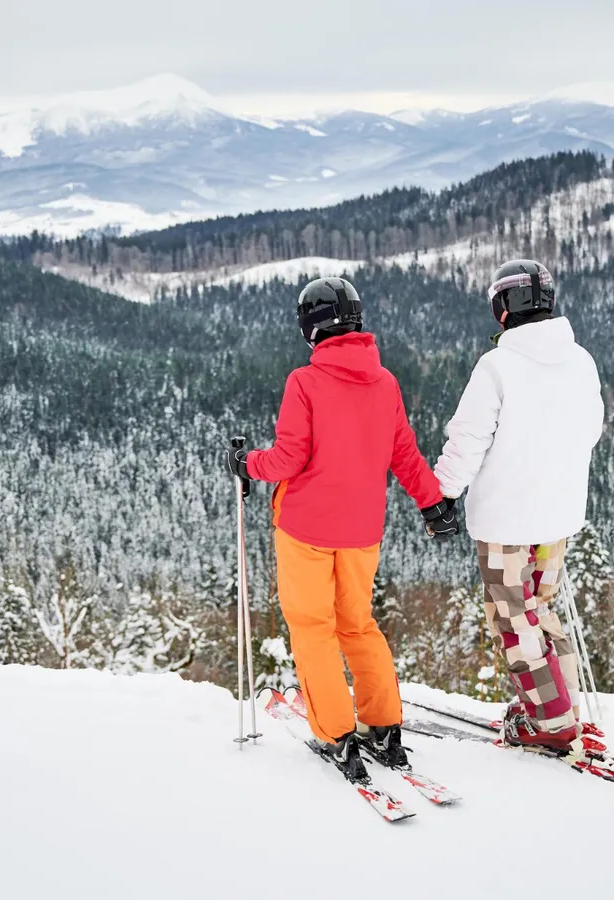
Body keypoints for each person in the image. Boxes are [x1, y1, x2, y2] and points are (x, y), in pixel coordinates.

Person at [227, 276, 457, 780]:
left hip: (306, 530)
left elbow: (288, 459)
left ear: (310, 327)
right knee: (357, 624)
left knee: (313, 630)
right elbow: (405, 456)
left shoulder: (305, 382)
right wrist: (432, 503)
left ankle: (336, 734)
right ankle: (384, 726)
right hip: (362, 533)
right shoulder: (385, 382)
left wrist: (247, 463)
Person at [433, 259, 609, 767]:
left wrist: (443, 493)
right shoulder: (582, 362)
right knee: (542, 610)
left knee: (513, 618)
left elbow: (468, 439)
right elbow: (591, 429)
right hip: (558, 516)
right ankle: (561, 703)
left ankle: (550, 722)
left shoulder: (497, 368)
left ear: (504, 308)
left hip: (505, 521)